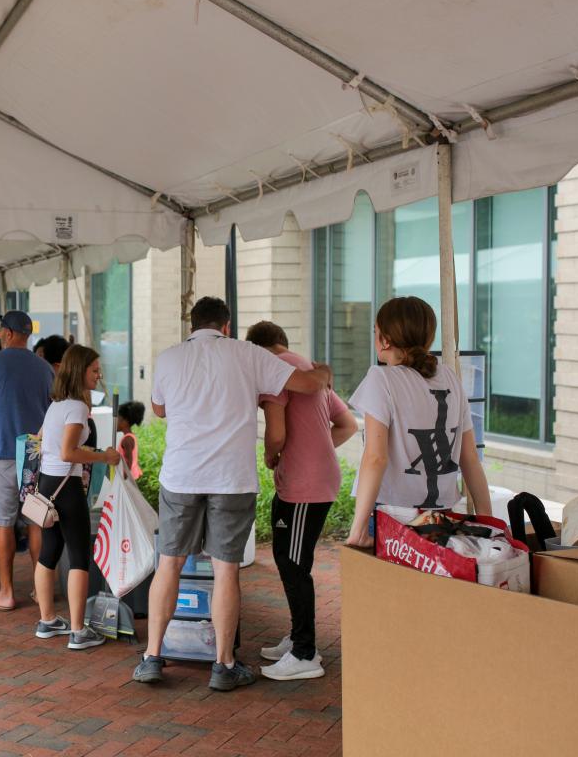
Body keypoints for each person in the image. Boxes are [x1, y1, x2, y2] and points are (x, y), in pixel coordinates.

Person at [132, 296, 333, 692]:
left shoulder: (169, 358)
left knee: (169, 564)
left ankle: (152, 656)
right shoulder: (247, 354)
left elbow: (158, 409)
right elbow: (308, 383)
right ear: (226, 326)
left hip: (182, 476)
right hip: (231, 478)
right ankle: (223, 666)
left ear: (193, 325)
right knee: (225, 569)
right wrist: (323, 369)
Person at [246, 320, 357, 682]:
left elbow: (276, 432)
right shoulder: (309, 369)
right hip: (314, 480)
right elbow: (347, 425)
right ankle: (297, 637)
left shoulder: (275, 372)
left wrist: (272, 456)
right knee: (290, 558)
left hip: (304, 485)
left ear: (261, 349)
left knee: (293, 565)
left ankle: (306, 653)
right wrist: (317, 451)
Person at [345, 296, 492, 547]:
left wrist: (357, 530)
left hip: (393, 515)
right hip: (441, 516)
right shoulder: (449, 377)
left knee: (388, 586)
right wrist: (488, 521)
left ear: (385, 340)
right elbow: (470, 459)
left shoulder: (381, 379)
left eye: (375, 331)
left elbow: (375, 458)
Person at [0, 310, 54, 612]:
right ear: (27, 334)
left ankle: (6, 592)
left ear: (6, 333)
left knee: (2, 522)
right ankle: (40, 591)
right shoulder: (44, 369)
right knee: (35, 522)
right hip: (35, 453)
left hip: (0, 451)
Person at [33, 345, 120, 649]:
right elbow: (68, 451)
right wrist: (104, 455)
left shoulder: (56, 404)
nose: (99, 375)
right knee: (80, 556)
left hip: (46, 485)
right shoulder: (77, 408)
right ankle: (79, 631)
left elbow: (42, 440)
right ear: (79, 371)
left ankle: (48, 620)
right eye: (94, 370)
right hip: (66, 488)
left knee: (49, 551)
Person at [116, 401, 146, 481]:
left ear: (124, 421)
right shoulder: (130, 437)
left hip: (128, 478)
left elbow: (129, 462)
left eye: (118, 419)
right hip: (130, 476)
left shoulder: (127, 439)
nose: (115, 422)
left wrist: (123, 479)